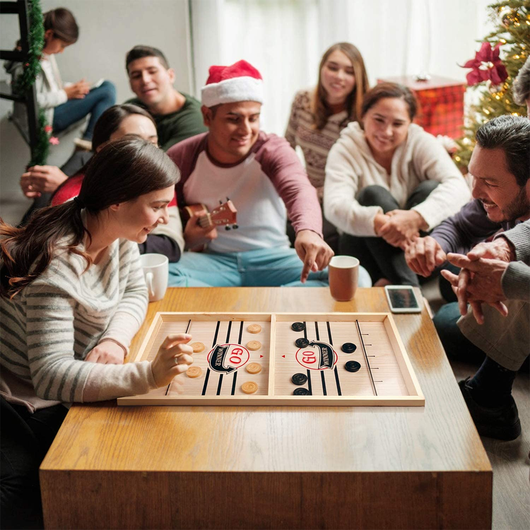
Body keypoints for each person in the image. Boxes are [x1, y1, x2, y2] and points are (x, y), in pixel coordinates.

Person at [0, 138, 195, 529]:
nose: (163, 218)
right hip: (22, 399)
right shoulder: (56, 267)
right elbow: (51, 376)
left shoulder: (113, 228)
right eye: (157, 206)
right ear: (116, 201)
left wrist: (114, 339)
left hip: (70, 372)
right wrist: (148, 376)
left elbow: (135, 289)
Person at [166, 59, 354, 288]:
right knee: (154, 275)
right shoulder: (182, 156)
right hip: (213, 263)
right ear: (207, 117)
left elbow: (298, 189)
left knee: (354, 277)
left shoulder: (272, 148)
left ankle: (234, 305)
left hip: (273, 259)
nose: (246, 130)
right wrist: (187, 237)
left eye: (253, 118)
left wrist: (309, 231)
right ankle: (267, 304)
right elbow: (161, 212)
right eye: (233, 119)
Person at [405, 115, 530, 440]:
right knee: (454, 298)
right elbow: (459, 223)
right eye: (473, 176)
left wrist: (503, 255)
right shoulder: (496, 195)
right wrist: (435, 243)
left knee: (446, 323)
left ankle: (490, 397)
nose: (474, 191)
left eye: (488, 182)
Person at [323, 82, 471, 286]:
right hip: (366, 253)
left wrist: (415, 218)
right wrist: (383, 224)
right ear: (363, 116)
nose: (387, 131)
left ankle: (396, 282)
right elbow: (334, 206)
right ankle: (406, 286)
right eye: (379, 120)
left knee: (430, 188)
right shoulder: (345, 148)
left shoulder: (420, 141)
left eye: (398, 124)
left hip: (422, 257)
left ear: (410, 123)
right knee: (372, 195)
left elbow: (459, 186)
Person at [49, 104, 184, 261]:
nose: (147, 150)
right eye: (134, 142)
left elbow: (172, 245)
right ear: (103, 149)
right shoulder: (71, 197)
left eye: (152, 143)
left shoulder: (159, 185)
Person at [285, 42, 370, 251]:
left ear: (358, 78)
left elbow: (361, 174)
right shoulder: (302, 100)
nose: (339, 76)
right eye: (333, 67)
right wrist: (294, 190)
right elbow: (287, 148)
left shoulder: (362, 117)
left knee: (316, 236)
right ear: (322, 68)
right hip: (307, 189)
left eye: (349, 72)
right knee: (282, 228)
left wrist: (316, 195)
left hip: (342, 195)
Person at [6, 8, 116, 151]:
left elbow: (49, 86)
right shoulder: (26, 63)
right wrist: (66, 94)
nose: (62, 51)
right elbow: (32, 101)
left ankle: (89, 141)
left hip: (55, 108)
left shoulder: (46, 55)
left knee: (106, 87)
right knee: (107, 91)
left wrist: (73, 89)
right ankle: (89, 143)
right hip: (47, 118)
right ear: (49, 34)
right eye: (62, 45)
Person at [125, 45, 207, 151]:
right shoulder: (130, 109)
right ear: (130, 84)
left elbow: (160, 165)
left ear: (171, 75)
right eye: (136, 76)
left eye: (152, 71)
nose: (145, 80)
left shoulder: (195, 119)